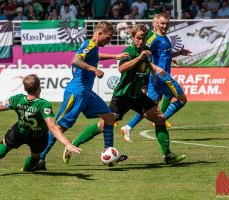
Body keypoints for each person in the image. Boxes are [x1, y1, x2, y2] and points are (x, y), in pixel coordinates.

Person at [63, 24, 186, 165]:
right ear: (133, 37)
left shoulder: (145, 51)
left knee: (160, 118)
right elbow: (122, 68)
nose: (141, 41)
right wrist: (139, 58)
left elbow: (147, 63)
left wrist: (154, 71)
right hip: (122, 96)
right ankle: (74, 144)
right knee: (103, 125)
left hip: (137, 96)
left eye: (143, 39)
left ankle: (168, 155)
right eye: (138, 38)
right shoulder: (129, 51)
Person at [35, 21, 129, 170]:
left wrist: (114, 56)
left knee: (109, 117)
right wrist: (93, 69)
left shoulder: (92, 47)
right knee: (60, 127)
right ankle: (39, 159)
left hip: (87, 93)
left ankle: (108, 151)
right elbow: (76, 60)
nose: (109, 40)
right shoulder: (89, 45)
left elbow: (95, 55)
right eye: (108, 37)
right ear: (99, 33)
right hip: (77, 92)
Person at [120, 13, 192, 142]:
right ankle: (161, 120)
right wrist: (157, 68)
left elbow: (163, 54)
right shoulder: (153, 38)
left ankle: (128, 126)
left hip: (156, 78)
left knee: (149, 106)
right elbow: (144, 55)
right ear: (156, 24)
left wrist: (177, 54)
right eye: (162, 23)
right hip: (162, 77)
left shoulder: (164, 38)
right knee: (182, 100)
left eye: (167, 23)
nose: (165, 25)